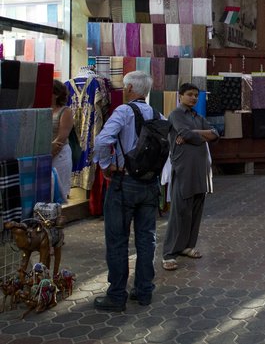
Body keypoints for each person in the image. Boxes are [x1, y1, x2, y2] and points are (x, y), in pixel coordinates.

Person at [92, 71, 161, 311]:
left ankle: (116, 296)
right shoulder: (156, 113)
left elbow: (102, 141)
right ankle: (143, 291)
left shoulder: (123, 111)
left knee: (118, 240)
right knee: (146, 240)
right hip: (150, 185)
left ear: (131, 87)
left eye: (124, 86)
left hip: (125, 184)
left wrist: (105, 165)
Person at [162, 83, 219, 271]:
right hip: (184, 169)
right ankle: (169, 254)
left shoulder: (197, 116)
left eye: (196, 95)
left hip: (200, 170)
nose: (193, 98)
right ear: (181, 96)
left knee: (196, 209)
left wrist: (195, 134)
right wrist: (201, 135)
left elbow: (215, 133)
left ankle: (187, 246)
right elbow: (184, 133)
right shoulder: (176, 115)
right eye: (189, 95)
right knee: (180, 211)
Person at [51, 80, 74, 201]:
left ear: (56, 94)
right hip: (46, 152)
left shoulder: (65, 111)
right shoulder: (43, 109)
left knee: (58, 189)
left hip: (59, 154)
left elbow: (62, 137)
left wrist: (50, 152)